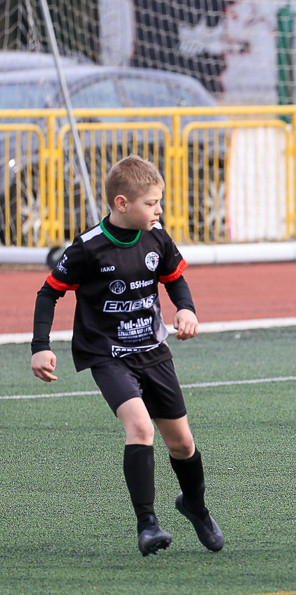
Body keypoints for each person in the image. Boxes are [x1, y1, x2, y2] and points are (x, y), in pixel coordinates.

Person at [30, 155, 224, 557]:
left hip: (154, 352)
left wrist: (185, 308)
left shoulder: (158, 238)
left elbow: (176, 281)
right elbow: (49, 292)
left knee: (183, 444)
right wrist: (41, 346)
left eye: (159, 203)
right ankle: (148, 524)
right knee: (140, 427)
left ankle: (195, 506)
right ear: (122, 203)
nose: (159, 210)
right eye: (151, 204)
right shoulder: (88, 249)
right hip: (107, 354)